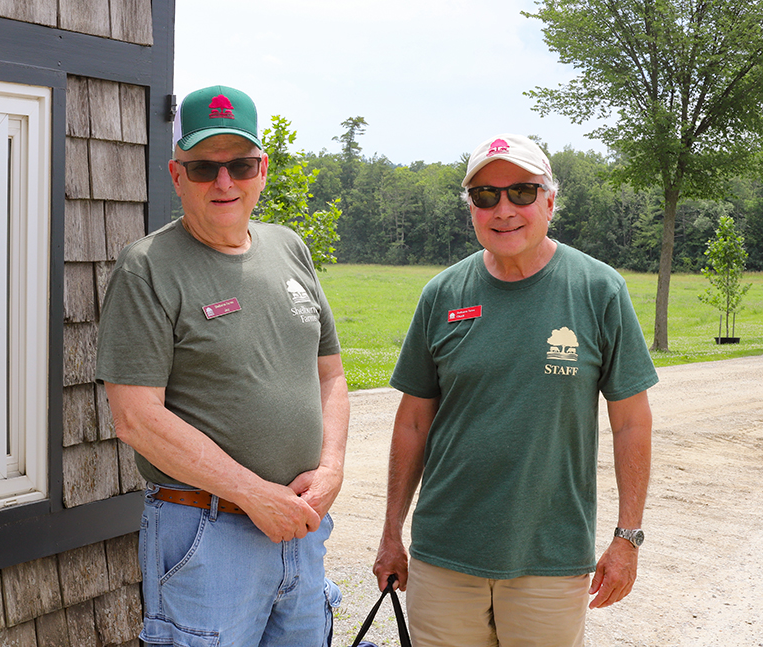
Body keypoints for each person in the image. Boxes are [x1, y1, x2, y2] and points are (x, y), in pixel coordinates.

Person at [373, 133, 658, 646]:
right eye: (486, 196)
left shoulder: (599, 290)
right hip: (443, 558)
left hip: (549, 558)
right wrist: (391, 533)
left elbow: (632, 421)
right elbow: (413, 420)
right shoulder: (442, 294)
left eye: (522, 193)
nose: (503, 209)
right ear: (472, 211)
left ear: (550, 201)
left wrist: (627, 537)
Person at [95, 85, 349, 647]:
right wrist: (255, 494)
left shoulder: (289, 248)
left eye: (240, 164)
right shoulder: (148, 269)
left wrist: (330, 470)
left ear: (262, 169)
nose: (225, 182)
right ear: (176, 174)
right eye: (205, 167)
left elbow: (329, 375)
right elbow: (136, 418)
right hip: (206, 534)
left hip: (303, 530)